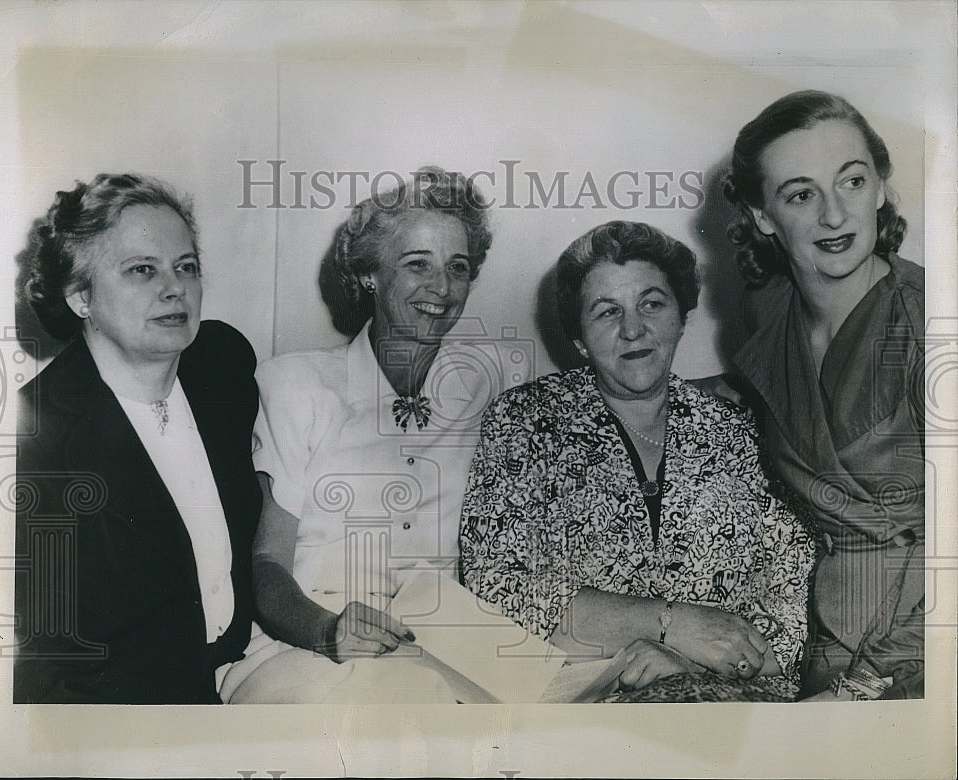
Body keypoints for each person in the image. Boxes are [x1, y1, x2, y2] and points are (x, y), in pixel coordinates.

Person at [460, 220, 814, 702]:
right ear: (580, 338)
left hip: (734, 702)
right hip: (583, 706)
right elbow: (495, 588)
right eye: (607, 312)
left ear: (681, 317)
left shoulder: (742, 430)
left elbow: (795, 595)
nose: (633, 329)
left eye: (652, 303)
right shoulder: (525, 421)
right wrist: (673, 623)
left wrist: (690, 660)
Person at [219, 166, 519, 703]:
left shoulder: (492, 387)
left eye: (458, 267)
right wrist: (326, 630)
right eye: (416, 265)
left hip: (444, 650)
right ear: (370, 275)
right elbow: (266, 563)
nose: (442, 288)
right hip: (306, 650)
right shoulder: (296, 383)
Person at [13, 173, 261, 703]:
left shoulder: (223, 366)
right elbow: (51, 662)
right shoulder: (34, 441)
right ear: (80, 296)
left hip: (242, 660)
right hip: (128, 704)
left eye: (186, 267)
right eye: (141, 270)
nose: (175, 289)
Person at [723, 90, 925, 700]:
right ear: (763, 215)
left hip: (928, 642)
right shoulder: (771, 310)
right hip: (832, 637)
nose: (835, 216)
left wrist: (865, 685)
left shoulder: (930, 325)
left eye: (853, 182)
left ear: (881, 187)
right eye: (802, 194)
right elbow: (783, 401)